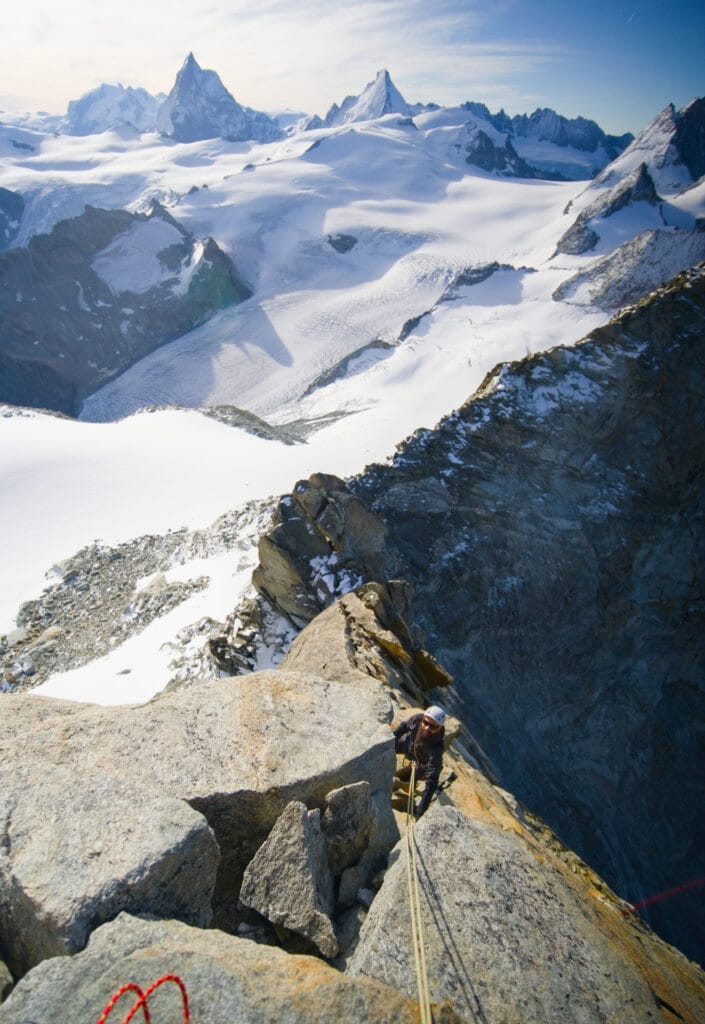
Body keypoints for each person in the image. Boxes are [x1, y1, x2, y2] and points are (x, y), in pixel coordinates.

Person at [393, 705, 446, 818]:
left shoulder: (436, 748)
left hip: (422, 763)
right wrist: (388, 742)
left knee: (417, 776)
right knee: (389, 746)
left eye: (432, 726)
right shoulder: (417, 720)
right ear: (423, 719)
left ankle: (412, 777)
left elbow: (432, 781)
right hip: (407, 746)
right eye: (425, 723)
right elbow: (402, 728)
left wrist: (420, 811)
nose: (426, 728)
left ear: (439, 728)